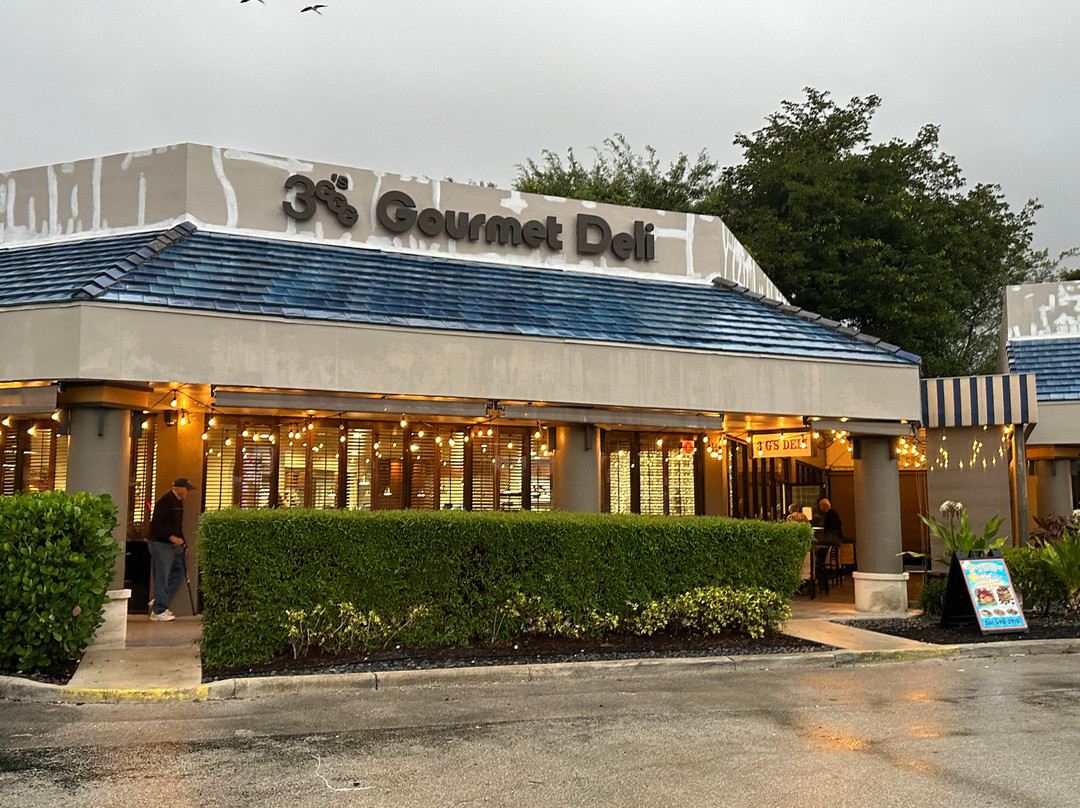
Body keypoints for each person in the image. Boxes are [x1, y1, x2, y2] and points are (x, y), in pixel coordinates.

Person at [148, 477, 195, 622]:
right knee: (162, 575)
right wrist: (170, 537)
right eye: (186, 489)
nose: (187, 492)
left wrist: (184, 544)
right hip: (161, 544)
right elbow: (156, 524)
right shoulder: (165, 501)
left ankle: (159, 600)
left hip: (175, 545)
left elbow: (178, 526)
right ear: (178, 488)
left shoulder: (178, 502)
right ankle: (158, 610)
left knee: (179, 571)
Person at [815, 497, 843, 594]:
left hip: (830, 543)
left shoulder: (829, 514)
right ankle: (824, 584)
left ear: (824, 506)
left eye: (820, 506)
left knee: (819, 561)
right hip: (834, 542)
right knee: (819, 561)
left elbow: (830, 528)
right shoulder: (833, 513)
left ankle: (822, 583)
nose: (820, 508)